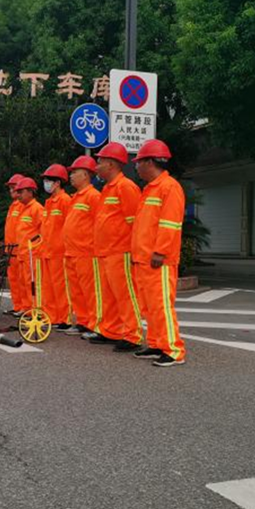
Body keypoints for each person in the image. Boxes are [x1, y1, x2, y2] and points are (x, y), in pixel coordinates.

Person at [130, 139, 186, 367]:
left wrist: (160, 252)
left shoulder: (169, 187)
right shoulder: (150, 189)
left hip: (158, 260)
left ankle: (173, 350)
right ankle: (156, 343)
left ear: (150, 162)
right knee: (149, 306)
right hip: (144, 258)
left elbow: (170, 224)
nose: (136, 167)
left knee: (161, 305)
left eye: (138, 162)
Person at [84, 142, 144, 352]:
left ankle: (133, 335)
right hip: (106, 251)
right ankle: (111, 331)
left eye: (100, 162)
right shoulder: (108, 188)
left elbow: (135, 223)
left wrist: (134, 251)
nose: (97, 166)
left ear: (111, 164)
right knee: (109, 296)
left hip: (121, 251)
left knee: (125, 295)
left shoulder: (126, 187)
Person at [62, 155, 102, 335]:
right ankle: (82, 321)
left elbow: (99, 225)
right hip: (72, 252)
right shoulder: (76, 197)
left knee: (90, 291)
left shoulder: (93, 196)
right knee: (77, 292)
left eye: (74, 172)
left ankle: (94, 324)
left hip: (86, 252)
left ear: (86, 175)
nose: (71, 176)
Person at [38, 164, 72, 330]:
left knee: (60, 287)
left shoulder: (65, 200)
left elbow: (69, 227)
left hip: (59, 252)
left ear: (57, 183)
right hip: (47, 251)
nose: (46, 183)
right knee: (49, 287)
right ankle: (51, 317)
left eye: (48, 180)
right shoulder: (49, 202)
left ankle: (64, 318)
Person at [13, 177, 44, 310]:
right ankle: (27, 308)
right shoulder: (24, 209)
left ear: (30, 192)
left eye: (21, 191)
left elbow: (43, 232)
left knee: (33, 283)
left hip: (33, 254)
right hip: (24, 253)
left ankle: (36, 310)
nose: (18, 194)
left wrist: (37, 249)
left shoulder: (37, 209)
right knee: (24, 282)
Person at [3, 174, 27, 316]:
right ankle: (17, 306)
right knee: (14, 279)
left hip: (20, 250)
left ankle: (24, 306)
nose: (11, 190)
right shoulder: (13, 206)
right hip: (11, 250)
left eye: (13, 187)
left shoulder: (23, 206)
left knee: (22, 280)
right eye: (10, 188)